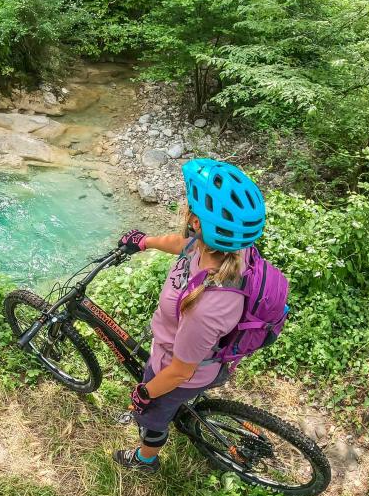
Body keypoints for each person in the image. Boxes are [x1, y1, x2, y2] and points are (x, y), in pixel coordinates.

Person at [113, 158, 266, 473]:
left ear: (196, 222)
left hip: (180, 371)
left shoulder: (205, 309)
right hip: (201, 355)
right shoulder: (231, 247)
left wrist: (145, 393)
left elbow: (180, 372)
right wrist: (146, 242)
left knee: (151, 416)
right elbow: (185, 246)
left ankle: (145, 460)